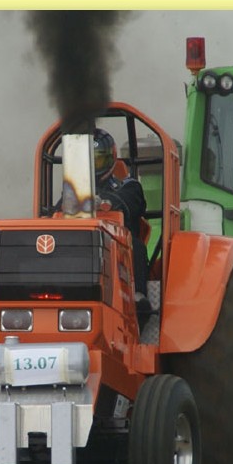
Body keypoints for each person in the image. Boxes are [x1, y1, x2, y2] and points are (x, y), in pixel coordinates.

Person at [91, 129, 151, 320]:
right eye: (89, 161)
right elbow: (55, 213)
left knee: (137, 246)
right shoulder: (72, 192)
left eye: (99, 160)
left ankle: (138, 298)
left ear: (111, 159)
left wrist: (102, 201)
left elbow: (129, 203)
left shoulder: (129, 186)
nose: (94, 166)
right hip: (83, 246)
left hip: (119, 247)